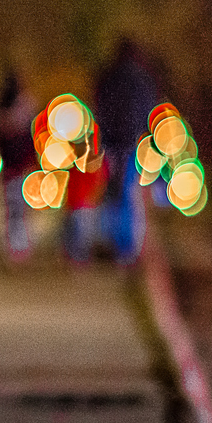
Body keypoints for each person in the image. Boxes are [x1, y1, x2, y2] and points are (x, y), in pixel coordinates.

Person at [90, 38, 161, 264]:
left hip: (112, 145)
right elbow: (149, 112)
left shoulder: (108, 78)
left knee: (113, 192)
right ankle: (127, 247)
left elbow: (99, 107)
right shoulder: (142, 80)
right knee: (130, 193)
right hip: (132, 144)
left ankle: (114, 242)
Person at [0, 64, 40, 264]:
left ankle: (16, 248)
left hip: (12, 166)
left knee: (13, 208)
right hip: (17, 166)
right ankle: (17, 249)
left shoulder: (1, 109)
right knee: (16, 208)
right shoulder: (24, 108)